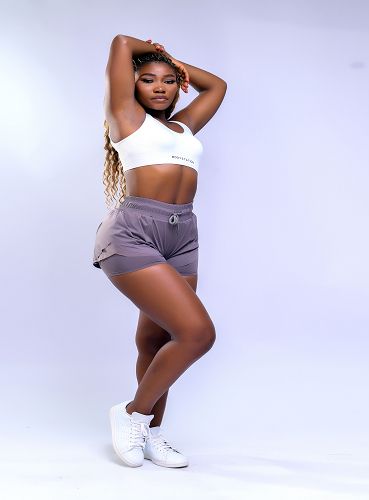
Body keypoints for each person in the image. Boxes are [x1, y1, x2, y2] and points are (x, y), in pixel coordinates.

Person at [92, 34, 227, 468]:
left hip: (183, 234)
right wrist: (161, 55)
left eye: (169, 81)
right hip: (134, 233)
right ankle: (133, 414)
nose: (160, 87)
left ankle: (150, 433)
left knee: (159, 338)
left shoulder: (183, 126)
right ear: (131, 85)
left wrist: (176, 65)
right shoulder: (126, 116)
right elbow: (121, 43)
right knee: (197, 334)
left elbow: (217, 86)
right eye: (148, 79)